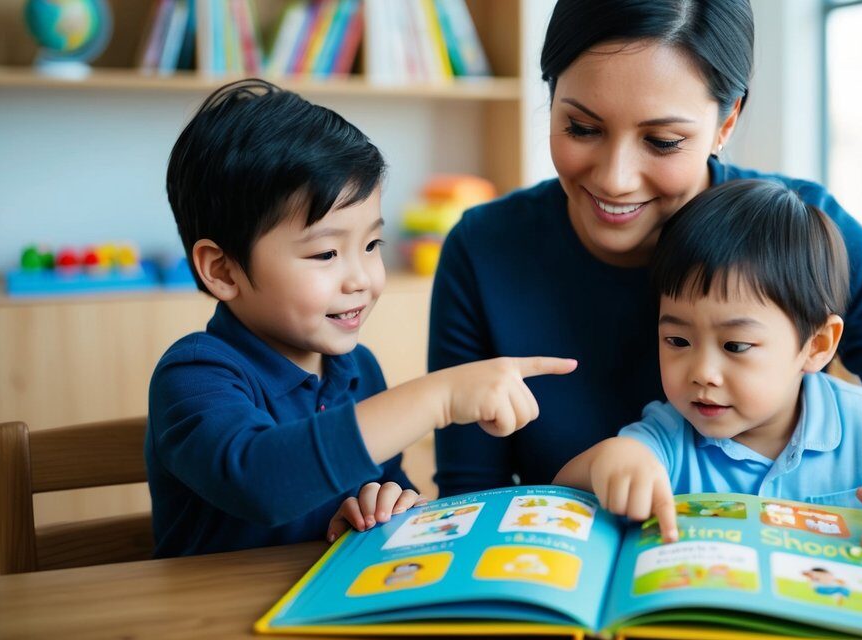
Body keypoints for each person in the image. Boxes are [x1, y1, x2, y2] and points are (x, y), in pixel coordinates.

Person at [429, 0, 862, 561]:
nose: (615, 177)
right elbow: (469, 502)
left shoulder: (801, 235)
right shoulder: (485, 251)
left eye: (663, 141)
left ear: (727, 120)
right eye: (581, 127)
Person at [148, 79, 576, 557]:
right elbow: (260, 481)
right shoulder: (196, 374)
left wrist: (389, 501)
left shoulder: (358, 371)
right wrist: (438, 396)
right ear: (222, 270)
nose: (361, 279)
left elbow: (389, 488)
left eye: (372, 245)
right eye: (326, 253)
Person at [553, 180, 862, 542]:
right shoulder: (668, 437)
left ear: (817, 345)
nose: (702, 372)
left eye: (735, 345)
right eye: (677, 340)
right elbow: (564, 488)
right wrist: (612, 458)